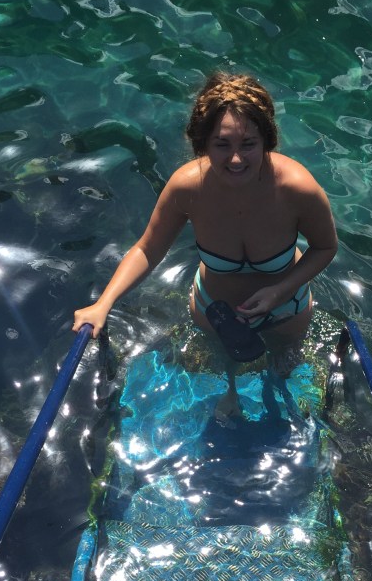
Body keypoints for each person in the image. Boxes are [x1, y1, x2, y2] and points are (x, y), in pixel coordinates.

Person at [72, 71, 338, 419]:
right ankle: (231, 394)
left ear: (267, 140)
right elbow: (148, 249)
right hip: (215, 311)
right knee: (222, 374)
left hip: (287, 306)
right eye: (222, 145)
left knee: (286, 371)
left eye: (248, 144)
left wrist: (280, 291)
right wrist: (103, 303)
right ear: (203, 143)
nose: (236, 159)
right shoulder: (187, 188)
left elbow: (325, 247)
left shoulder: (296, 188)